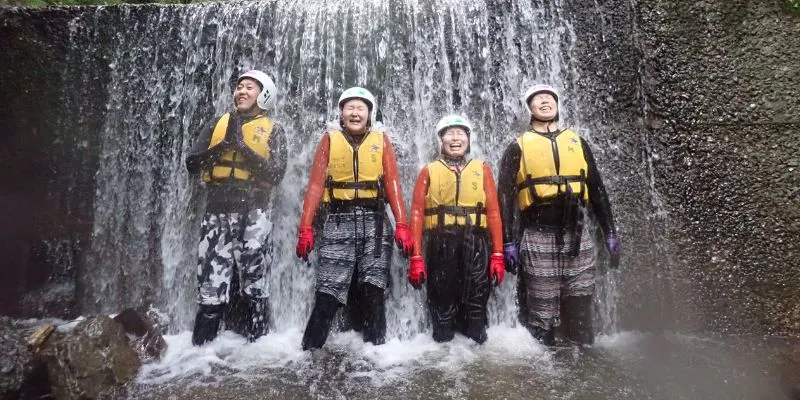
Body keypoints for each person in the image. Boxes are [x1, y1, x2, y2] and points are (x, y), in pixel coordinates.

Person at [498, 84, 620, 346]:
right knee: (542, 315)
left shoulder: (578, 142)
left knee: (580, 308)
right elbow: (505, 198)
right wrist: (506, 242)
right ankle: (547, 375)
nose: (544, 101)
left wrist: (610, 231)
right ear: (529, 108)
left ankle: (585, 368)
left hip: (577, 235)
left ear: (557, 104)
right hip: (538, 234)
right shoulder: (517, 147)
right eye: (538, 98)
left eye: (549, 97)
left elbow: (597, 189)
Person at [295, 87, 413, 350]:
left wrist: (402, 224)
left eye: (361, 108)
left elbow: (392, 182)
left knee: (374, 289)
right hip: (338, 219)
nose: (355, 112)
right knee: (327, 291)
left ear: (370, 114)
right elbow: (315, 185)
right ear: (341, 113)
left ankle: (377, 353)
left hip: (376, 223)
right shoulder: (329, 140)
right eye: (350, 108)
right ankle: (309, 351)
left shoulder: (381, 140)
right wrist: (306, 228)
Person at [185, 70, 287, 345]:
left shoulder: (274, 130)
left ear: (264, 95)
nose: (241, 91)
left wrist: (242, 148)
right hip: (217, 211)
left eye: (249, 88)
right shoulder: (217, 124)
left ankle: (260, 348)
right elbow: (192, 164)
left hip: (255, 212)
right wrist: (223, 148)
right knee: (211, 283)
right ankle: (199, 353)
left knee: (255, 280)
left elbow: (277, 174)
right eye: (239, 87)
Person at [407, 115, 505, 344]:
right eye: (449, 134)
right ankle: (443, 348)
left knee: (477, 300)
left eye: (460, 133)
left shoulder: (482, 169)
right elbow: (417, 213)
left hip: (477, 242)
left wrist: (498, 254)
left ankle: (476, 346)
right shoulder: (428, 170)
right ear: (440, 140)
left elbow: (493, 213)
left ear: (469, 140)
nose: (455, 138)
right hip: (441, 243)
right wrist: (416, 257)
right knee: (442, 300)